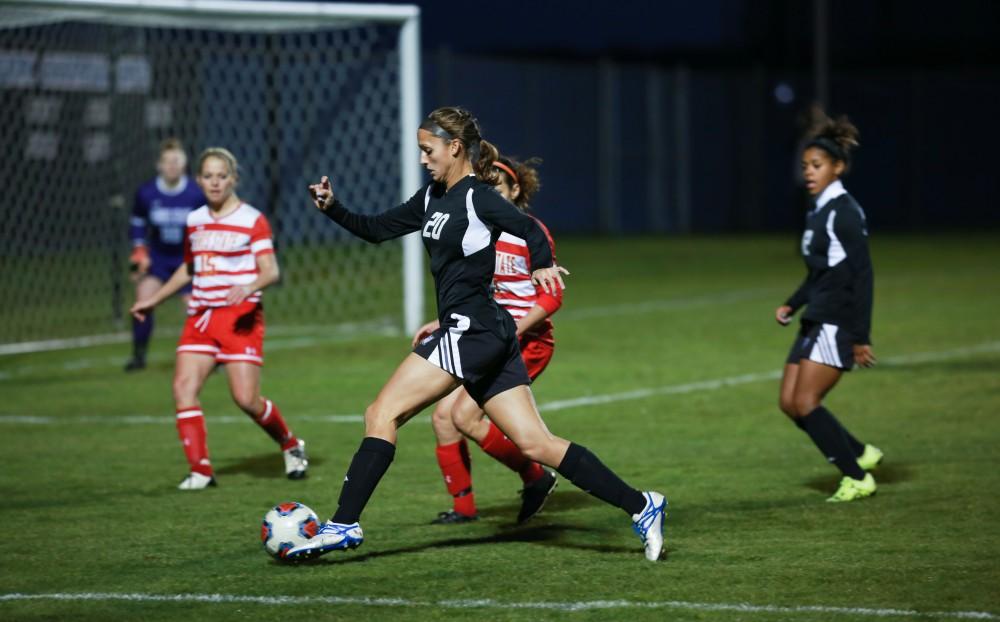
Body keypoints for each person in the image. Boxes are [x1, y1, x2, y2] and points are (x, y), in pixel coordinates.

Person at [289, 106, 666, 563]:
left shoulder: (477, 197)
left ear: (454, 148)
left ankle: (343, 525)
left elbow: (528, 229)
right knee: (536, 444)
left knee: (381, 413)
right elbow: (376, 229)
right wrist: (333, 208)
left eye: (428, 150)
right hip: (488, 332)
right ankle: (643, 505)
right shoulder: (430, 197)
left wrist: (543, 262)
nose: (423, 159)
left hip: (471, 332)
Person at [130, 147, 308, 490]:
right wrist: (153, 299)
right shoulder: (195, 220)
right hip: (200, 316)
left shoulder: (251, 219)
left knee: (246, 400)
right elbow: (189, 268)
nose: (215, 182)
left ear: (233, 179)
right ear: (199, 180)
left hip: (240, 318)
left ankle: (290, 444)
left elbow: (271, 270)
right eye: (208, 176)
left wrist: (249, 285)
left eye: (221, 176)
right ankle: (200, 470)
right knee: (183, 388)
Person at [413, 156, 561, 525]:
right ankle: (464, 509)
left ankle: (536, 477)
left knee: (462, 414)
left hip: (527, 343)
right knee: (444, 418)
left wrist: (516, 328)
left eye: (497, 186)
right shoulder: (478, 233)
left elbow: (552, 297)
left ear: (515, 191)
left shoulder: (528, 233)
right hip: (486, 335)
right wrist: (443, 321)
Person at [775, 111, 883, 502]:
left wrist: (860, 337)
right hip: (816, 315)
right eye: (805, 166)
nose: (809, 172)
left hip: (837, 320)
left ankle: (856, 477)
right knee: (789, 403)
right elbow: (821, 271)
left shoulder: (844, 212)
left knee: (806, 402)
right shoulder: (818, 210)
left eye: (817, 166)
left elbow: (862, 275)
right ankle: (860, 452)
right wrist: (792, 304)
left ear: (838, 167)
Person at [125, 138, 206, 372]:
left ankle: (212, 356)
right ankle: (139, 356)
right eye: (167, 162)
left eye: (177, 161)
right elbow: (137, 222)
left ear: (184, 164)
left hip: (187, 260)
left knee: (196, 306)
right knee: (142, 302)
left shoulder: (195, 193)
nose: (172, 166)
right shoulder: (147, 193)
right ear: (159, 165)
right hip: (159, 259)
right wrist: (139, 251)